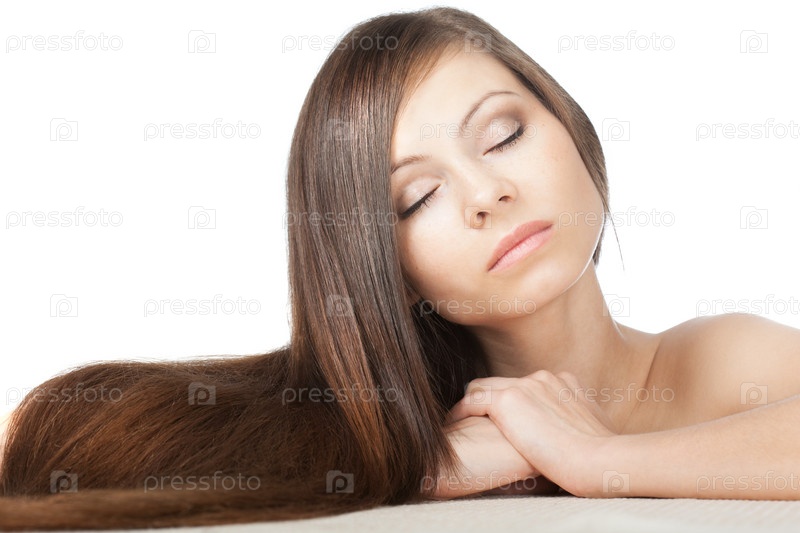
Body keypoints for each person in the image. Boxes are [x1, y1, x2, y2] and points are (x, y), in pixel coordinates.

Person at [2, 6, 799, 530]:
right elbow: (44, 437)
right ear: (391, 270)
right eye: (418, 197)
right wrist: (418, 464)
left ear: (573, 128)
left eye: (503, 134)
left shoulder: (717, 361)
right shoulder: (403, 436)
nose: (487, 192)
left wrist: (595, 460)